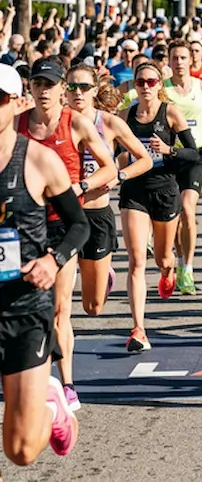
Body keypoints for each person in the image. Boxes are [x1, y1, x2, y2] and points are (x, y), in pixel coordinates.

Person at [0, 65, 89, 464]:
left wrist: (54, 261)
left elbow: (78, 225)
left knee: (20, 451)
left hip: (23, 312)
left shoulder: (39, 161)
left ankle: (53, 406)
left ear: (18, 104)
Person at [18, 58, 116, 413]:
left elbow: (110, 166)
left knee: (64, 308)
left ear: (62, 89)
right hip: (25, 227)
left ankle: (68, 384)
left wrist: (81, 186)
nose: (44, 91)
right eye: (38, 84)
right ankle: (34, 376)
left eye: (51, 84)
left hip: (65, 225)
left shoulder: (74, 123)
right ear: (30, 87)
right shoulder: (16, 124)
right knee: (29, 308)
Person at [119, 62, 201, 352]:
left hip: (165, 191)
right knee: (136, 260)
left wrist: (169, 150)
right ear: (135, 85)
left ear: (160, 85)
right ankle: (139, 329)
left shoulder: (171, 113)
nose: (145, 87)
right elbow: (114, 150)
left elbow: (194, 153)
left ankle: (169, 271)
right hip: (134, 192)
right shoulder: (125, 115)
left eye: (151, 82)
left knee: (163, 258)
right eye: (140, 81)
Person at [64, 65, 152, 317]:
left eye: (84, 87)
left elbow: (144, 159)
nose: (77, 93)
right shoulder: (55, 123)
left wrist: (118, 176)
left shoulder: (109, 123)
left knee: (92, 307)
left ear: (94, 90)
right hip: (63, 216)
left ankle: (104, 275)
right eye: (72, 87)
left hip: (96, 214)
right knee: (61, 299)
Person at [163, 40, 202, 293]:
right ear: (169, 61)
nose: (179, 62)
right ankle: (176, 261)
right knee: (173, 216)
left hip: (195, 154)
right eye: (174, 58)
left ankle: (187, 268)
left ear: (191, 61)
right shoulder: (161, 89)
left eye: (183, 58)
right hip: (167, 156)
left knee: (187, 210)